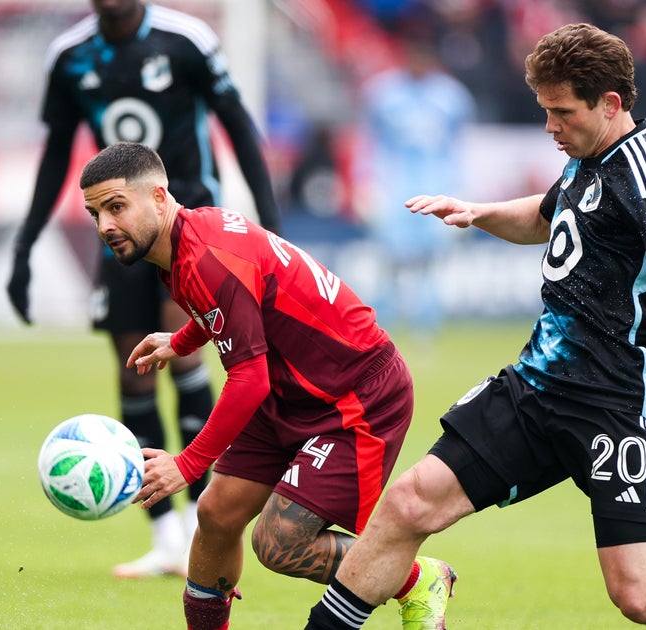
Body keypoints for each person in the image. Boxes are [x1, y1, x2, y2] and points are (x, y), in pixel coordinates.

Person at [305, 23, 646, 630]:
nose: (550, 126)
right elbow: (544, 217)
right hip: (536, 387)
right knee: (408, 503)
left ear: (609, 104)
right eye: (545, 110)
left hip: (615, 402)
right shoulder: (588, 158)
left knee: (643, 595)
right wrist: (479, 212)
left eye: (562, 112)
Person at [79, 141, 456, 630]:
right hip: (292, 389)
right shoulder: (188, 238)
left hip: (355, 395)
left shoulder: (206, 256)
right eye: (95, 214)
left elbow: (248, 377)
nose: (105, 225)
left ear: (158, 196)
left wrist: (188, 464)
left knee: (280, 543)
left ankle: (416, 579)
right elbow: (238, 305)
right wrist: (182, 339)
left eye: (116, 207)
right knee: (216, 514)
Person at [6, 0, 280, 578]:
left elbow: (237, 125)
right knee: (134, 370)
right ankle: (165, 536)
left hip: (188, 225)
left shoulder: (186, 39)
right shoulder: (70, 56)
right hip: (121, 232)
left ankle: (202, 521)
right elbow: (57, 151)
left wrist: (272, 222)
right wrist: (25, 244)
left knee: (186, 362)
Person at [357, 12, 475, 339]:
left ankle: (426, 329)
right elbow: (369, 142)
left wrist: (462, 189)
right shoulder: (382, 93)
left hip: (437, 187)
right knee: (389, 260)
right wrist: (365, 185)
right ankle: (381, 328)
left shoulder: (452, 97)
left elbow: (459, 149)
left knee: (431, 262)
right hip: (394, 188)